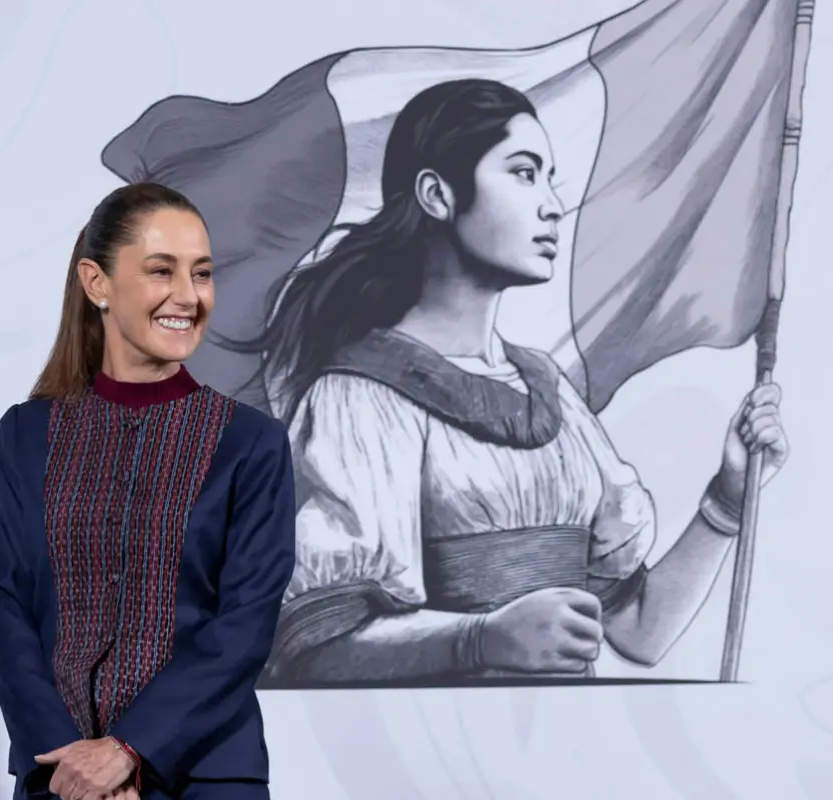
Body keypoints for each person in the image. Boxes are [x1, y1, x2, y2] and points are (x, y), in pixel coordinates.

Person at [241, 79, 789, 684]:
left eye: (549, 178)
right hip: (435, 744)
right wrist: (481, 639)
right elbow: (317, 647)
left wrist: (728, 498)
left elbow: (639, 631)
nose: (552, 205)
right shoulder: (361, 396)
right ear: (437, 195)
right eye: (524, 174)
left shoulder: (549, 391)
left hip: (567, 741)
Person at [0, 182, 296, 799]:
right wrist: (71, 762)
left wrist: (129, 750)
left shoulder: (251, 443)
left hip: (205, 777)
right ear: (96, 283)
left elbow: (244, 624)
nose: (188, 295)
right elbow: (4, 603)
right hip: (60, 777)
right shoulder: (25, 434)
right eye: (161, 270)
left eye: (202, 273)